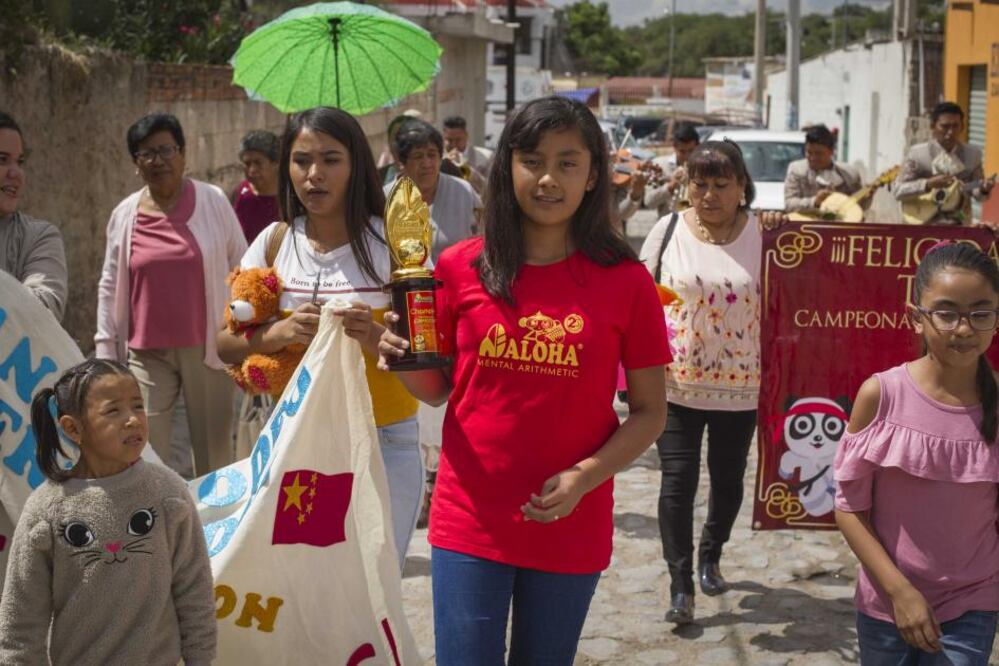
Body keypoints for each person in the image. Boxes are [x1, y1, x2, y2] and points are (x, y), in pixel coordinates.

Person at [378, 95, 670, 664]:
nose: (548, 178)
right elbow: (438, 391)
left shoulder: (626, 282)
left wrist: (585, 477)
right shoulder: (459, 267)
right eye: (532, 160)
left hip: (571, 520)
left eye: (567, 163)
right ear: (508, 167)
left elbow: (650, 411)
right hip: (469, 518)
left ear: (592, 176)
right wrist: (402, 359)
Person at [216, 107, 425, 571]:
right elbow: (224, 344)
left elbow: (429, 359)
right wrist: (275, 334)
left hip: (384, 441)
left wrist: (374, 335)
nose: (315, 174)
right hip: (298, 443)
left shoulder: (394, 245)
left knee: (374, 585)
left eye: (331, 159)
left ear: (356, 166)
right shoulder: (273, 242)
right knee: (309, 586)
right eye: (302, 160)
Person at [639, 140, 785, 625]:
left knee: (727, 479)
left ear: (742, 186)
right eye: (699, 184)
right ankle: (680, 584)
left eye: (721, 184)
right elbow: (637, 300)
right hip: (673, 386)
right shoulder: (668, 230)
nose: (709, 195)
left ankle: (711, 553)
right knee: (677, 481)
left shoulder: (765, 235)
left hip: (742, 389)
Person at [835, 241, 999, 664]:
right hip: (886, 605)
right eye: (946, 313)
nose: (963, 329)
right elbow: (849, 509)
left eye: (980, 313)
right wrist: (900, 592)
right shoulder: (881, 396)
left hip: (973, 605)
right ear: (916, 317)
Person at [0, 359, 216, 664]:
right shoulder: (46, 509)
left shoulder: (168, 492)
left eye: (138, 406)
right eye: (113, 411)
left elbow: (195, 591)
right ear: (73, 428)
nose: (132, 420)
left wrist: (201, 660)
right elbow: (21, 623)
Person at [96, 113, 247, 476]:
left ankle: (214, 514)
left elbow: (242, 264)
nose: (158, 160)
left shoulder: (213, 201)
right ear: (136, 163)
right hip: (147, 353)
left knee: (214, 456)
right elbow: (109, 283)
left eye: (166, 150)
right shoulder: (124, 215)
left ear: (183, 154)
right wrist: (105, 348)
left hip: (207, 347)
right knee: (144, 452)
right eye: (147, 153)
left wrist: (243, 327)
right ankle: (156, 512)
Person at [0, 111, 67, 320]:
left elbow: (43, 309)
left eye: (19, 162)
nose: (16, 174)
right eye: (2, 160)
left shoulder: (38, 237)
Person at [387, 119, 483, 262]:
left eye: (432, 155)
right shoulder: (386, 199)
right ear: (401, 162)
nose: (426, 164)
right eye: (418, 156)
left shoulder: (463, 192)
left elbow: (484, 239)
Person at [893, 102, 996, 225]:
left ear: (962, 127)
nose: (950, 132)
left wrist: (983, 189)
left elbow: (972, 191)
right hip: (923, 224)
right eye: (945, 126)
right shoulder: (917, 154)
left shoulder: (973, 155)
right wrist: (928, 184)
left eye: (955, 126)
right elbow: (898, 191)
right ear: (933, 126)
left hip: (959, 224)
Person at [783, 124, 864, 215]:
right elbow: (789, 204)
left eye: (818, 153)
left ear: (831, 151)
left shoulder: (849, 174)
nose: (813, 158)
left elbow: (860, 208)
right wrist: (814, 202)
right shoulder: (797, 170)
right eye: (809, 152)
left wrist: (867, 196)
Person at [231, 129, 280, 244]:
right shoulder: (239, 194)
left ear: (275, 163)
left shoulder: (290, 197)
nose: (252, 170)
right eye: (247, 164)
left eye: (258, 163)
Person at [646, 121, 701, 219]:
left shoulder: (704, 168)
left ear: (698, 147)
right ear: (674, 148)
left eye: (691, 151)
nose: (687, 156)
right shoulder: (659, 165)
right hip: (670, 224)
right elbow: (649, 202)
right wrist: (671, 185)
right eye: (682, 151)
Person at [442, 115, 493, 195]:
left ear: (466, 136)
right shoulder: (437, 158)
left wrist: (466, 169)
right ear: (443, 138)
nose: (454, 144)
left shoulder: (486, 157)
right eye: (449, 140)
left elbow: (490, 189)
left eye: (458, 140)